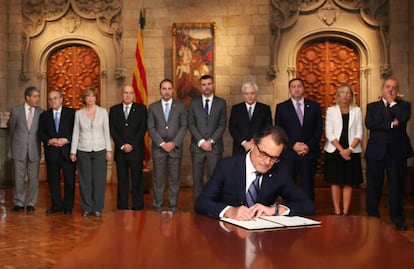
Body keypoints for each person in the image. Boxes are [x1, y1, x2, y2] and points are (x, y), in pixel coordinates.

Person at [195, 125, 314, 220]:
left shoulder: (280, 172)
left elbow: (307, 205)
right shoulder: (227, 166)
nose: (267, 162)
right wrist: (230, 211)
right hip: (228, 237)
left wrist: (275, 210)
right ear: (253, 145)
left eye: (273, 158)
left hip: (262, 241)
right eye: (263, 154)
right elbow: (201, 203)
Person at [365, 78, 413, 231]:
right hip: (376, 152)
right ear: (382, 89)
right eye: (387, 87)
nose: (390, 90)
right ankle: (372, 218)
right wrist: (391, 124)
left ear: (397, 90)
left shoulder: (404, 106)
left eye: (393, 88)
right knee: (373, 187)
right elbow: (370, 124)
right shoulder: (372, 106)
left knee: (396, 187)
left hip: (397, 153)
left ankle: (398, 219)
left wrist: (392, 103)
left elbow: (403, 118)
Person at [275, 78, 322, 201]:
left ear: (304, 88)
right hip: (289, 153)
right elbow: (279, 131)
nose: (296, 89)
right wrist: (292, 145)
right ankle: (288, 209)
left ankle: (308, 209)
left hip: (308, 153)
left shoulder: (314, 106)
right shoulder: (281, 107)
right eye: (293, 87)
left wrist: (308, 146)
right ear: (290, 90)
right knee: (289, 183)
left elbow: (318, 130)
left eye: (299, 86)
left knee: (308, 183)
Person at [70, 87, 112, 217]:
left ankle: (98, 207)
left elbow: (107, 132)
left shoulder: (103, 112)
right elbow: (76, 133)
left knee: (99, 180)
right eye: (88, 96)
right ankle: (87, 207)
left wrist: (109, 150)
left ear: (96, 97)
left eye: (93, 96)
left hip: (100, 149)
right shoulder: (78, 114)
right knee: (85, 180)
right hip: (83, 150)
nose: (90, 98)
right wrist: (73, 151)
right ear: (84, 98)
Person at [147, 79, 188, 211]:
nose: (166, 91)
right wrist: (162, 143)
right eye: (164, 88)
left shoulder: (181, 107)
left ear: (173, 90)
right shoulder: (153, 107)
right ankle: (158, 206)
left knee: (174, 180)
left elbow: (183, 127)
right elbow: (151, 128)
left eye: (169, 88)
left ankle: (173, 206)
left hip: (175, 149)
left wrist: (174, 143)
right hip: (159, 150)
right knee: (158, 180)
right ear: (160, 90)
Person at [323, 84, 363, 216]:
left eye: (348, 93)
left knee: (348, 182)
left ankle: (345, 211)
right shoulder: (331, 110)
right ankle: (337, 210)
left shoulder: (357, 111)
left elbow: (359, 133)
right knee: (335, 181)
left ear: (351, 96)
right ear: (338, 95)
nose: (345, 95)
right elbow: (329, 133)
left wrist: (349, 149)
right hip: (335, 149)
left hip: (352, 149)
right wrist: (341, 150)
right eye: (342, 92)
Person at [188, 74, 227, 202]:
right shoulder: (193, 103)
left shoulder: (221, 103)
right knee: (197, 180)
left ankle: (213, 204)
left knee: (215, 178)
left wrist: (210, 141)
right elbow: (191, 124)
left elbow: (222, 124)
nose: (207, 87)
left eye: (209, 84)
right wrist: (201, 142)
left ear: (213, 85)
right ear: (200, 86)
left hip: (214, 147)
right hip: (197, 147)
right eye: (204, 84)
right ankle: (198, 205)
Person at [109, 85, 147, 210]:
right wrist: (122, 145)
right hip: (121, 152)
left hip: (136, 150)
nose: (128, 95)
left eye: (131, 93)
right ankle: (122, 206)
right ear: (122, 94)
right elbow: (113, 130)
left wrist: (132, 145)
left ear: (134, 95)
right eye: (125, 92)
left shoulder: (141, 109)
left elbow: (142, 129)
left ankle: (137, 205)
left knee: (137, 180)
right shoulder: (114, 110)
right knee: (122, 181)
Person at [39, 90, 76, 215]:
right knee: (53, 181)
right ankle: (56, 205)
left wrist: (67, 139)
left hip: (67, 152)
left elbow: (76, 131)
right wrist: (49, 140)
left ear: (61, 99)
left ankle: (68, 206)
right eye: (50, 99)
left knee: (69, 181)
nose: (53, 101)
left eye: (55, 98)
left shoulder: (72, 113)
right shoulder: (44, 115)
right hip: (52, 153)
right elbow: (41, 133)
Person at [8, 86, 43, 212]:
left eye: (38, 96)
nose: (37, 99)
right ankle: (18, 202)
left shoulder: (41, 112)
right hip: (19, 150)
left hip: (34, 150)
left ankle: (31, 203)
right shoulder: (16, 111)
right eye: (35, 96)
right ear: (27, 97)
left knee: (34, 178)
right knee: (19, 178)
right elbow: (11, 130)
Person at [229, 81, 272, 156]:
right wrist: (244, 143)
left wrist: (256, 141)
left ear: (256, 94)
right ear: (243, 95)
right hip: (240, 148)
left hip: (259, 147)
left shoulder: (265, 109)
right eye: (246, 94)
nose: (249, 96)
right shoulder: (236, 109)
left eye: (252, 93)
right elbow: (232, 128)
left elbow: (268, 128)